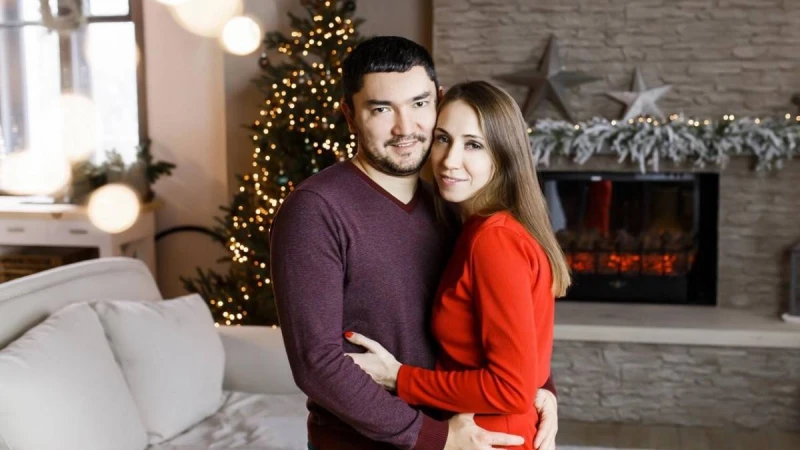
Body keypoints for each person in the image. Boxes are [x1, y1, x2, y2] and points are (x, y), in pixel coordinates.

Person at [270, 36, 558, 450]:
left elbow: (507, 326)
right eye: (381, 109)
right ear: (349, 115)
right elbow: (318, 364)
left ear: (438, 100)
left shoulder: (452, 205)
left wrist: (541, 391)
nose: (405, 128)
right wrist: (436, 437)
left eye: (419, 104)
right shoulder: (315, 210)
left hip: (462, 434)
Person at [344, 80, 571, 450]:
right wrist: (544, 389)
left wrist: (399, 377)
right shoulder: (477, 228)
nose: (449, 160)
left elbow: (510, 388)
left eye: (473, 145)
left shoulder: (494, 240)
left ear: (503, 155)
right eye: (443, 139)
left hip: (491, 438)